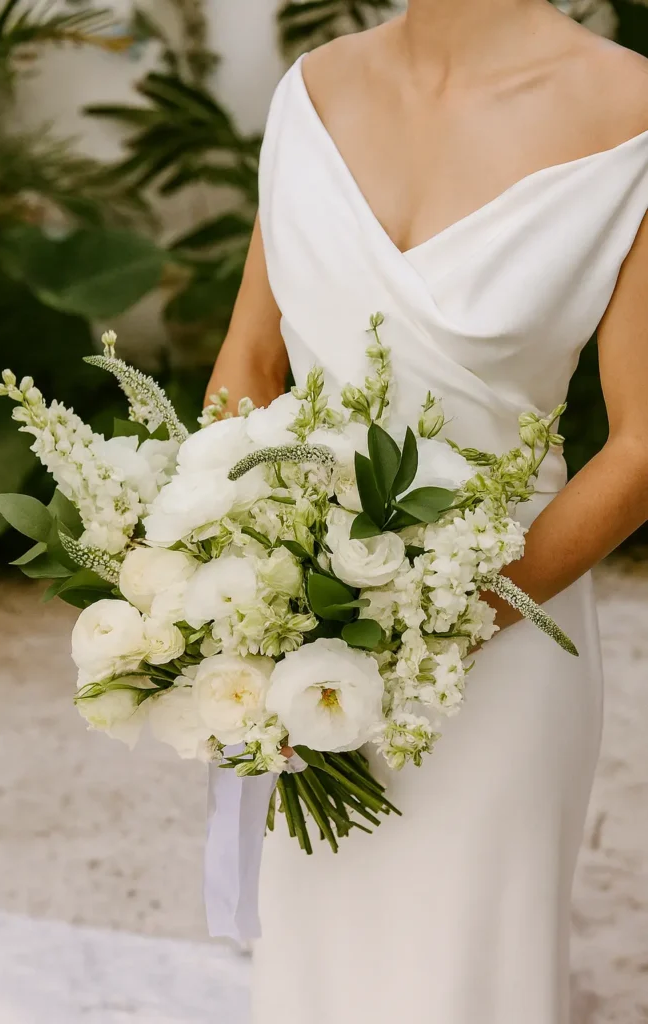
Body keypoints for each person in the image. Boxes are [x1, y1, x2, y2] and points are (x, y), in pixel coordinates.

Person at [205, 1, 648, 1020]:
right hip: (303, 636)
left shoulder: (629, 112)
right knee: (315, 972)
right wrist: (238, 573)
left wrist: (435, 622)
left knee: (464, 979)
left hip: (503, 636)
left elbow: (638, 445)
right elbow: (250, 361)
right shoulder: (309, 94)